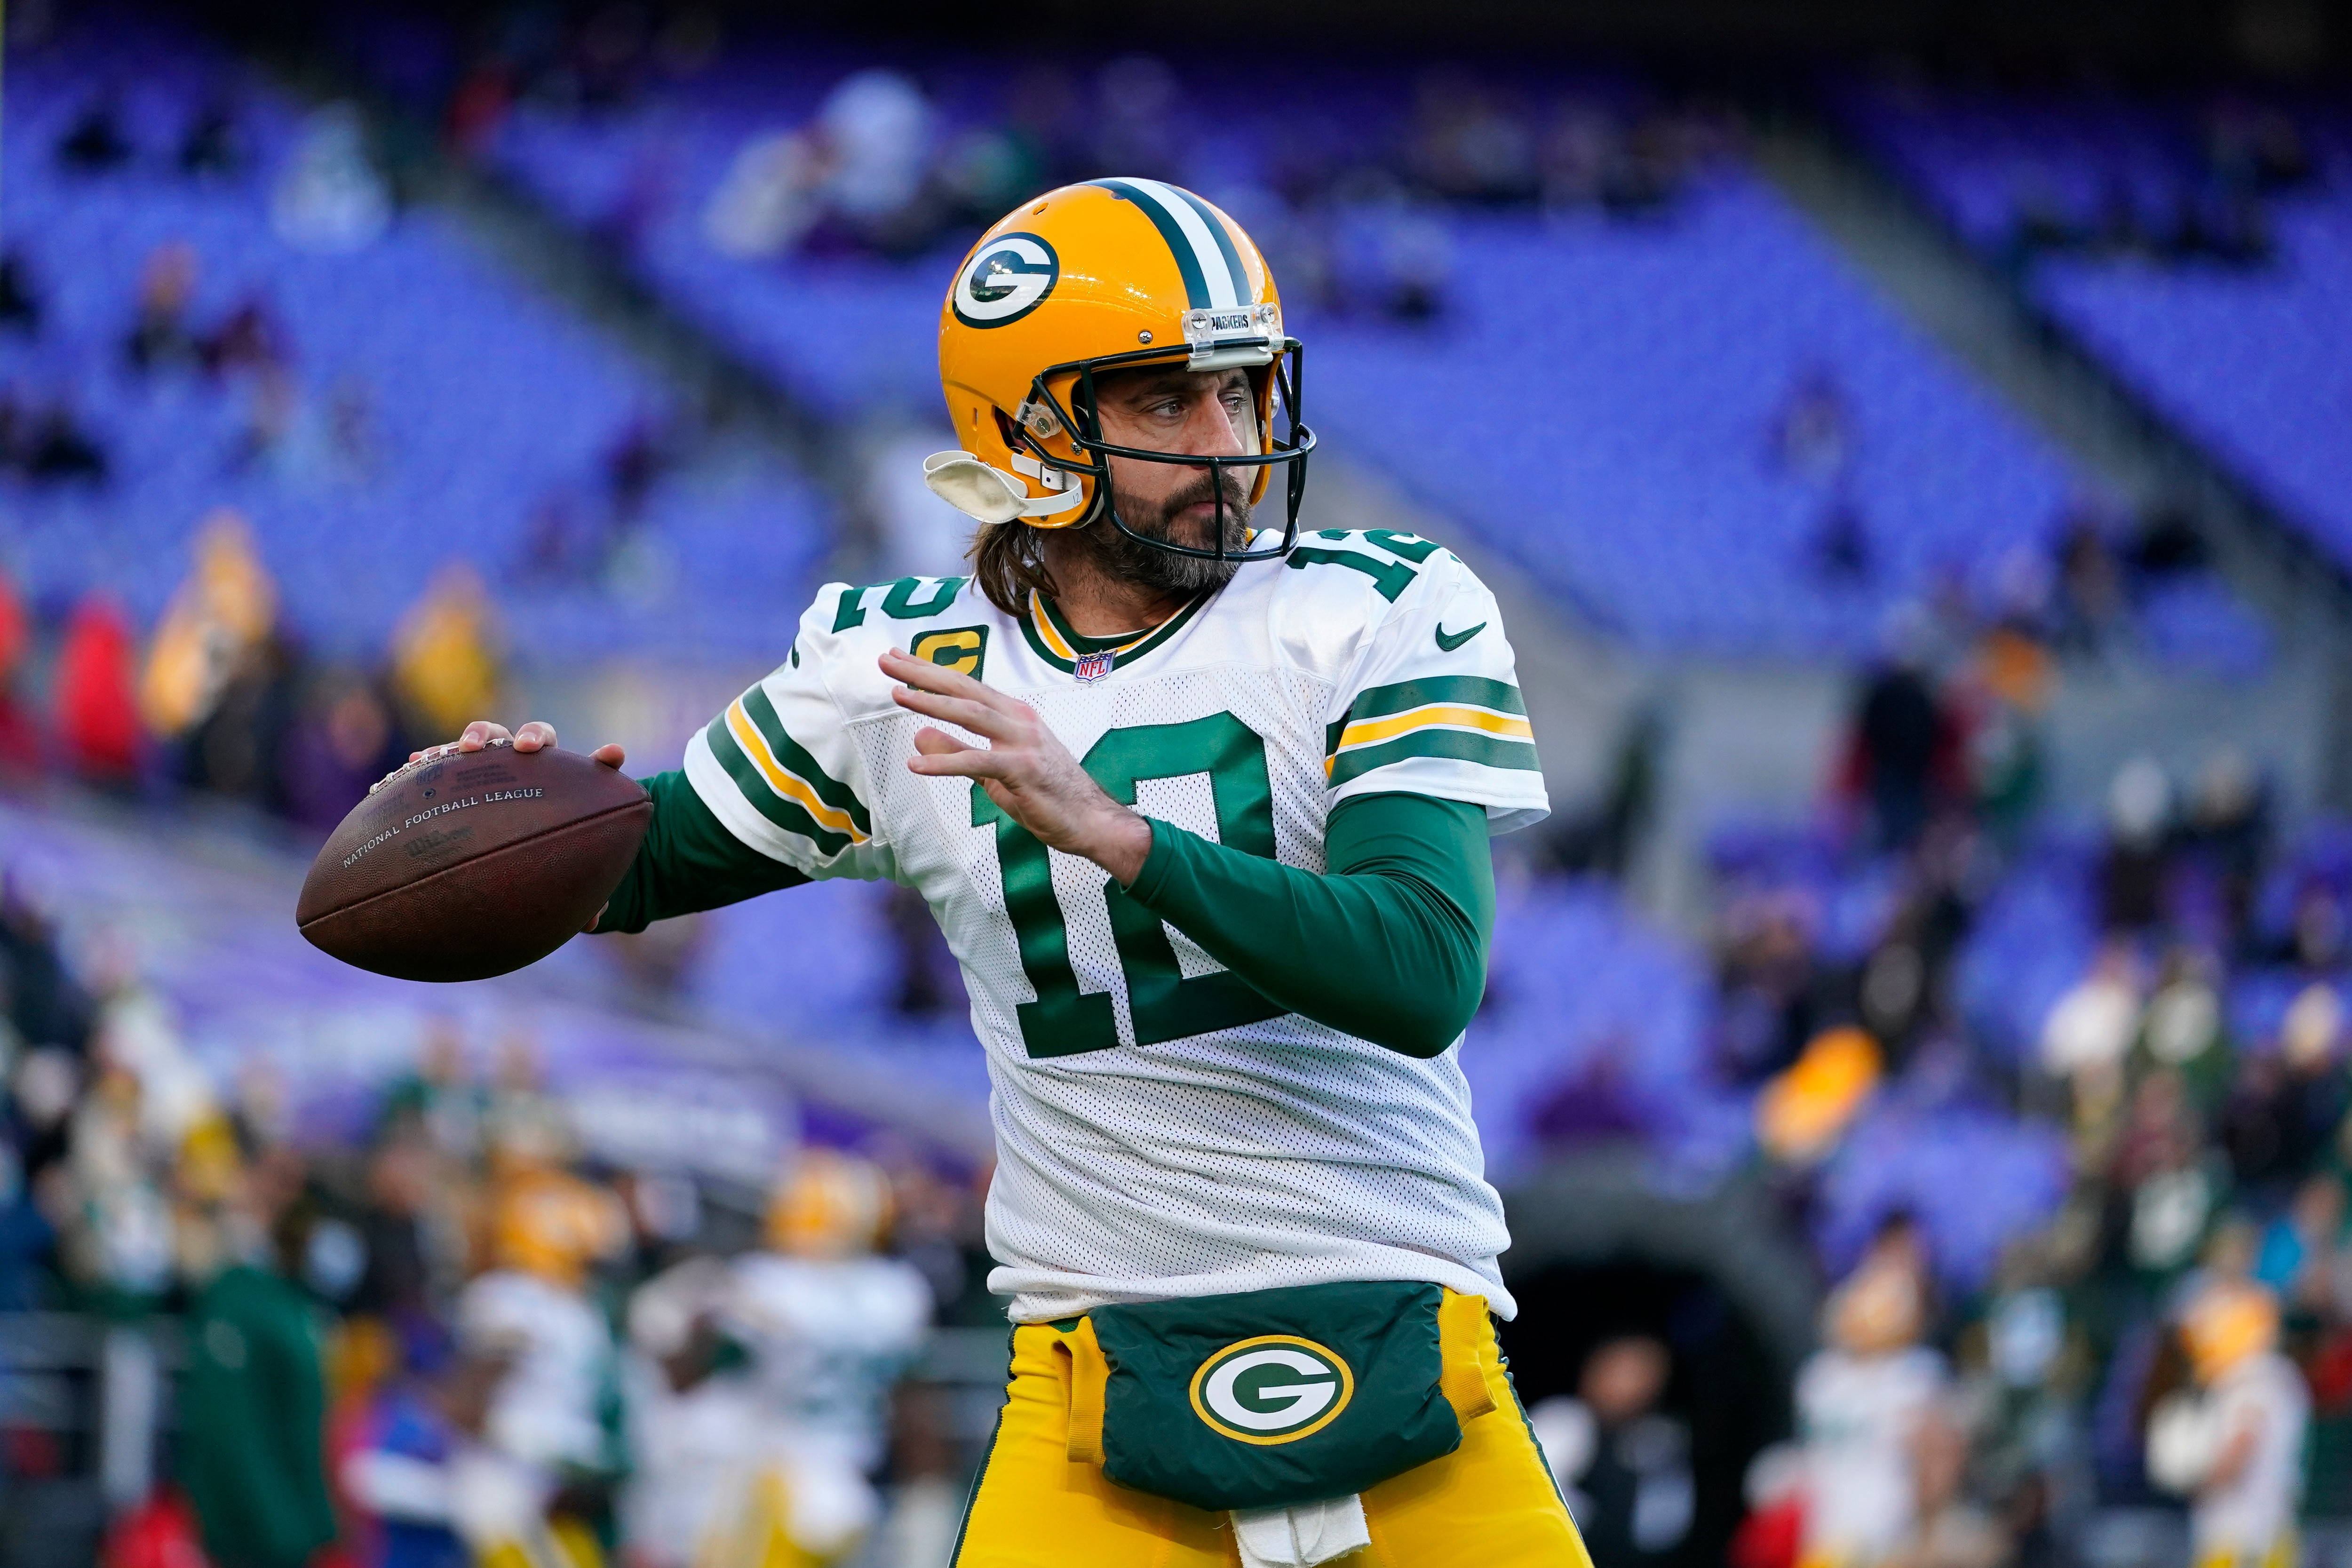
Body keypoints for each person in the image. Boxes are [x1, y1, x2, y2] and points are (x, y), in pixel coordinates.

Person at [430, 177, 1571, 1566]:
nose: (1229, 443)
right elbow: (630, 868)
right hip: (1091, 1377)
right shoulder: (898, 665)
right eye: (1166, 400)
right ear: (1032, 430)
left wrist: (1122, 838)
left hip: (1407, 1333)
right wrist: (504, 811)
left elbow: (1421, 967)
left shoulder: (1376, 608)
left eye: (1244, 390)